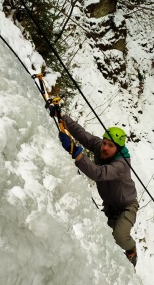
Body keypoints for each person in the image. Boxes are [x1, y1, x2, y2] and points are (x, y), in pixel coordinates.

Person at [50, 107, 139, 266]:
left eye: (110, 146)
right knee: (101, 236)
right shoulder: (102, 148)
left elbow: (99, 173)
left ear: (118, 149)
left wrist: (76, 154)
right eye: (104, 143)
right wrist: (62, 116)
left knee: (119, 236)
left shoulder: (121, 165)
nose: (105, 148)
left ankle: (131, 250)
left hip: (127, 206)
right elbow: (83, 135)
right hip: (110, 205)